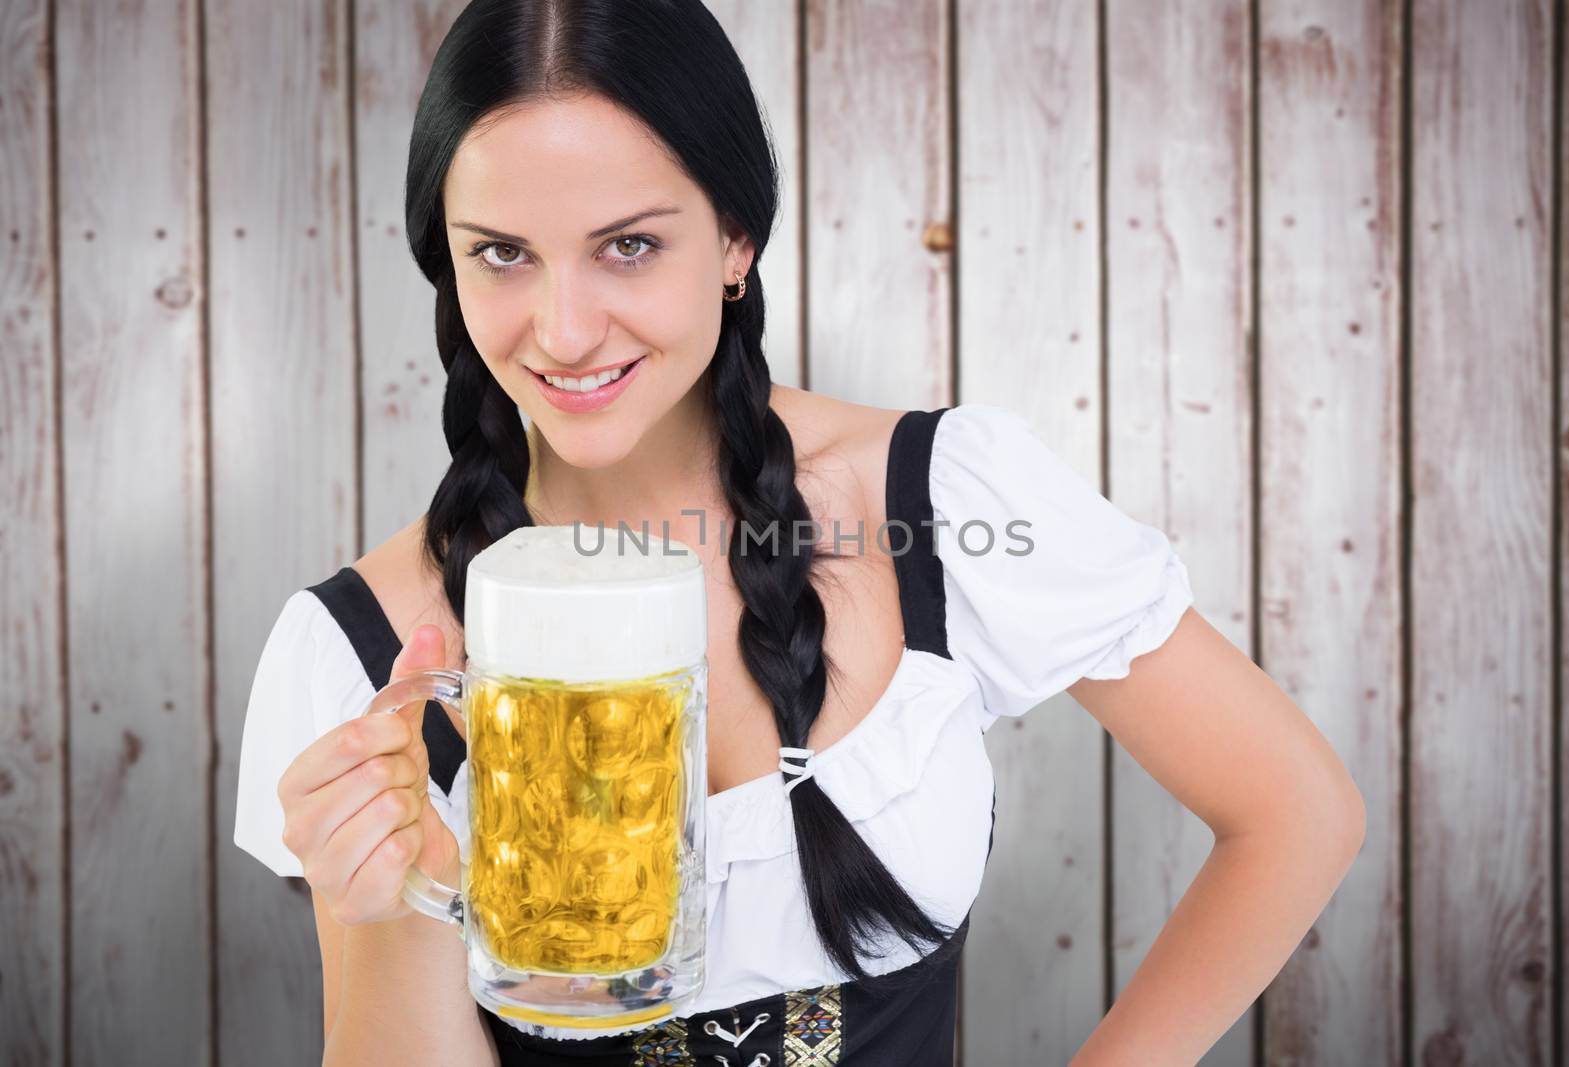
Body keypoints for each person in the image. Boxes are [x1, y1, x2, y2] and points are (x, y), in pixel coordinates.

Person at [232, 1, 1367, 1063]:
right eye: (503, 251)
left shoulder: (934, 503)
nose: (565, 331)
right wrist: (390, 905)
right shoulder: (362, 655)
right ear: (446, 256)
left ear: (735, 239)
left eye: (627, 244)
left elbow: (1295, 811)